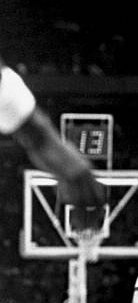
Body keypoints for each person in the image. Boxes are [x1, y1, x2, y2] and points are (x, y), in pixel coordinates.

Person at [0, 61, 104, 227]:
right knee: (42, 147)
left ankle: (82, 183)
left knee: (43, 146)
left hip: (18, 108)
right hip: (19, 112)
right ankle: (82, 184)